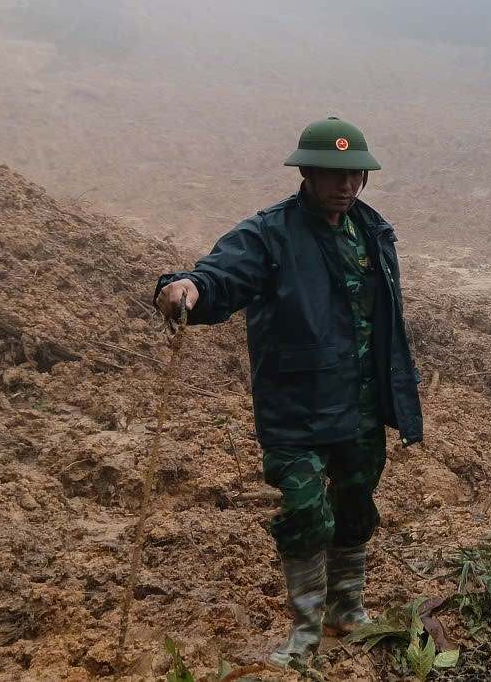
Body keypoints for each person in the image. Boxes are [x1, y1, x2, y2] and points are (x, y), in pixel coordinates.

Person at [153, 116, 422, 667]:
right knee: (304, 510)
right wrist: (184, 289)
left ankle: (347, 611)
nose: (346, 185)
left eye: (355, 175)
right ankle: (304, 628)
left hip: (361, 404)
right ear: (306, 171)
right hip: (296, 407)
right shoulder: (270, 233)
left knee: (355, 505)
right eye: (332, 174)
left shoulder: (373, 230)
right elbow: (220, 276)